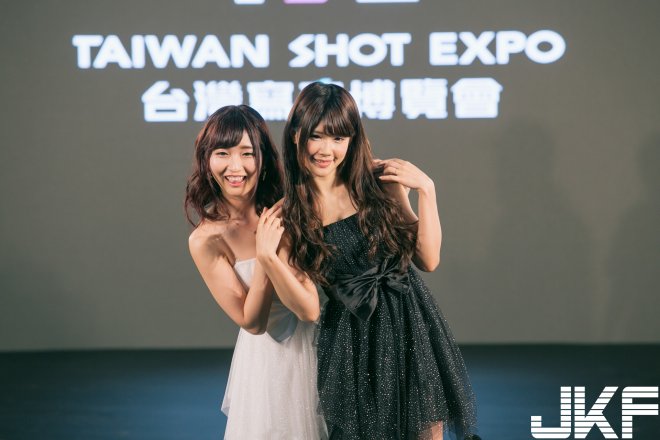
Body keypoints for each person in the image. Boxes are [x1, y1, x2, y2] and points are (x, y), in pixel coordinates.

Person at [257, 83, 480, 440]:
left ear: (352, 140)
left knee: (428, 431)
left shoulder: (378, 183)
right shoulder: (291, 215)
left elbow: (428, 259)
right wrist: (269, 258)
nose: (327, 150)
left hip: (410, 323)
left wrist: (427, 190)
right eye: (316, 136)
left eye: (339, 138)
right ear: (296, 134)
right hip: (352, 341)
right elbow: (308, 311)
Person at [185, 105, 327, 440]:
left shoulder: (289, 209)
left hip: (322, 344)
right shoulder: (206, 240)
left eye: (247, 153)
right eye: (223, 153)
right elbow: (251, 321)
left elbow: (309, 307)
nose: (235, 167)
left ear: (263, 159)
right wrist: (266, 254)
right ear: (206, 161)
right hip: (267, 363)